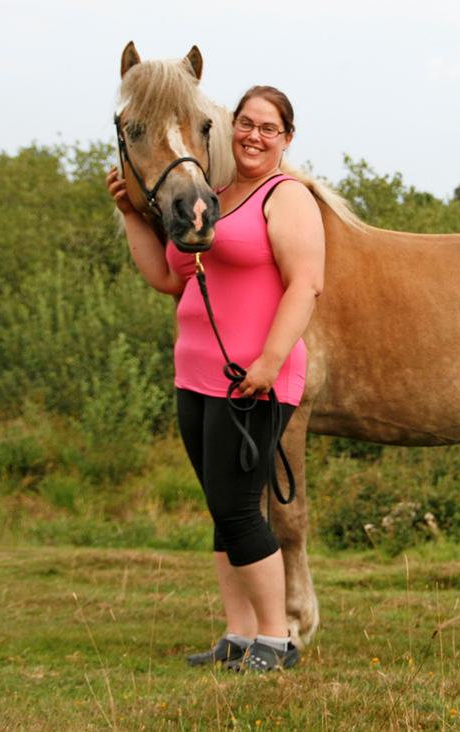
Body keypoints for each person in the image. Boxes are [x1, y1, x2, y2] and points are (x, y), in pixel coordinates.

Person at [106, 86, 325, 672]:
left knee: (239, 509)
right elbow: (168, 277)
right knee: (222, 508)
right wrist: (131, 213)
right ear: (229, 129)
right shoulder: (211, 198)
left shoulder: (288, 198)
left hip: (251, 379)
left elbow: (306, 285)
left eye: (268, 128)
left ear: (286, 138)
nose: (254, 136)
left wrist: (270, 362)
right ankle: (238, 633)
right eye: (245, 124)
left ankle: (276, 642)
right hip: (197, 375)